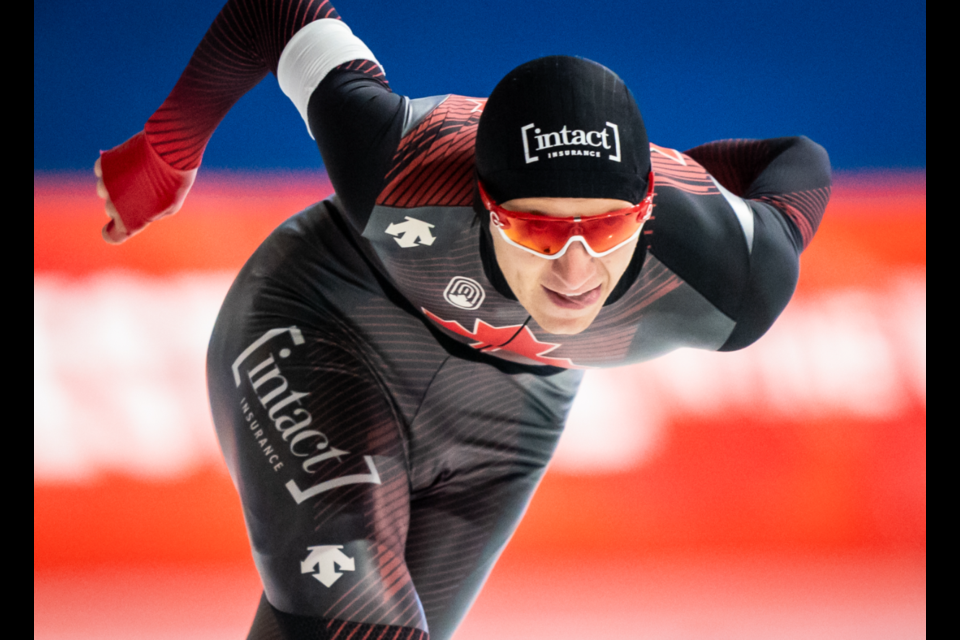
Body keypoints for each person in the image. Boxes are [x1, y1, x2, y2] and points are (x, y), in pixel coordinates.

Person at [95, 1, 831, 638]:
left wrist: (683, 173)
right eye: (537, 232)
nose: (574, 273)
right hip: (330, 322)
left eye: (605, 231)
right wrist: (167, 152)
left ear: (645, 213)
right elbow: (273, 11)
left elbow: (801, 158)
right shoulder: (400, 162)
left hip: (511, 415)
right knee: (367, 624)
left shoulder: (730, 277)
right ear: (483, 203)